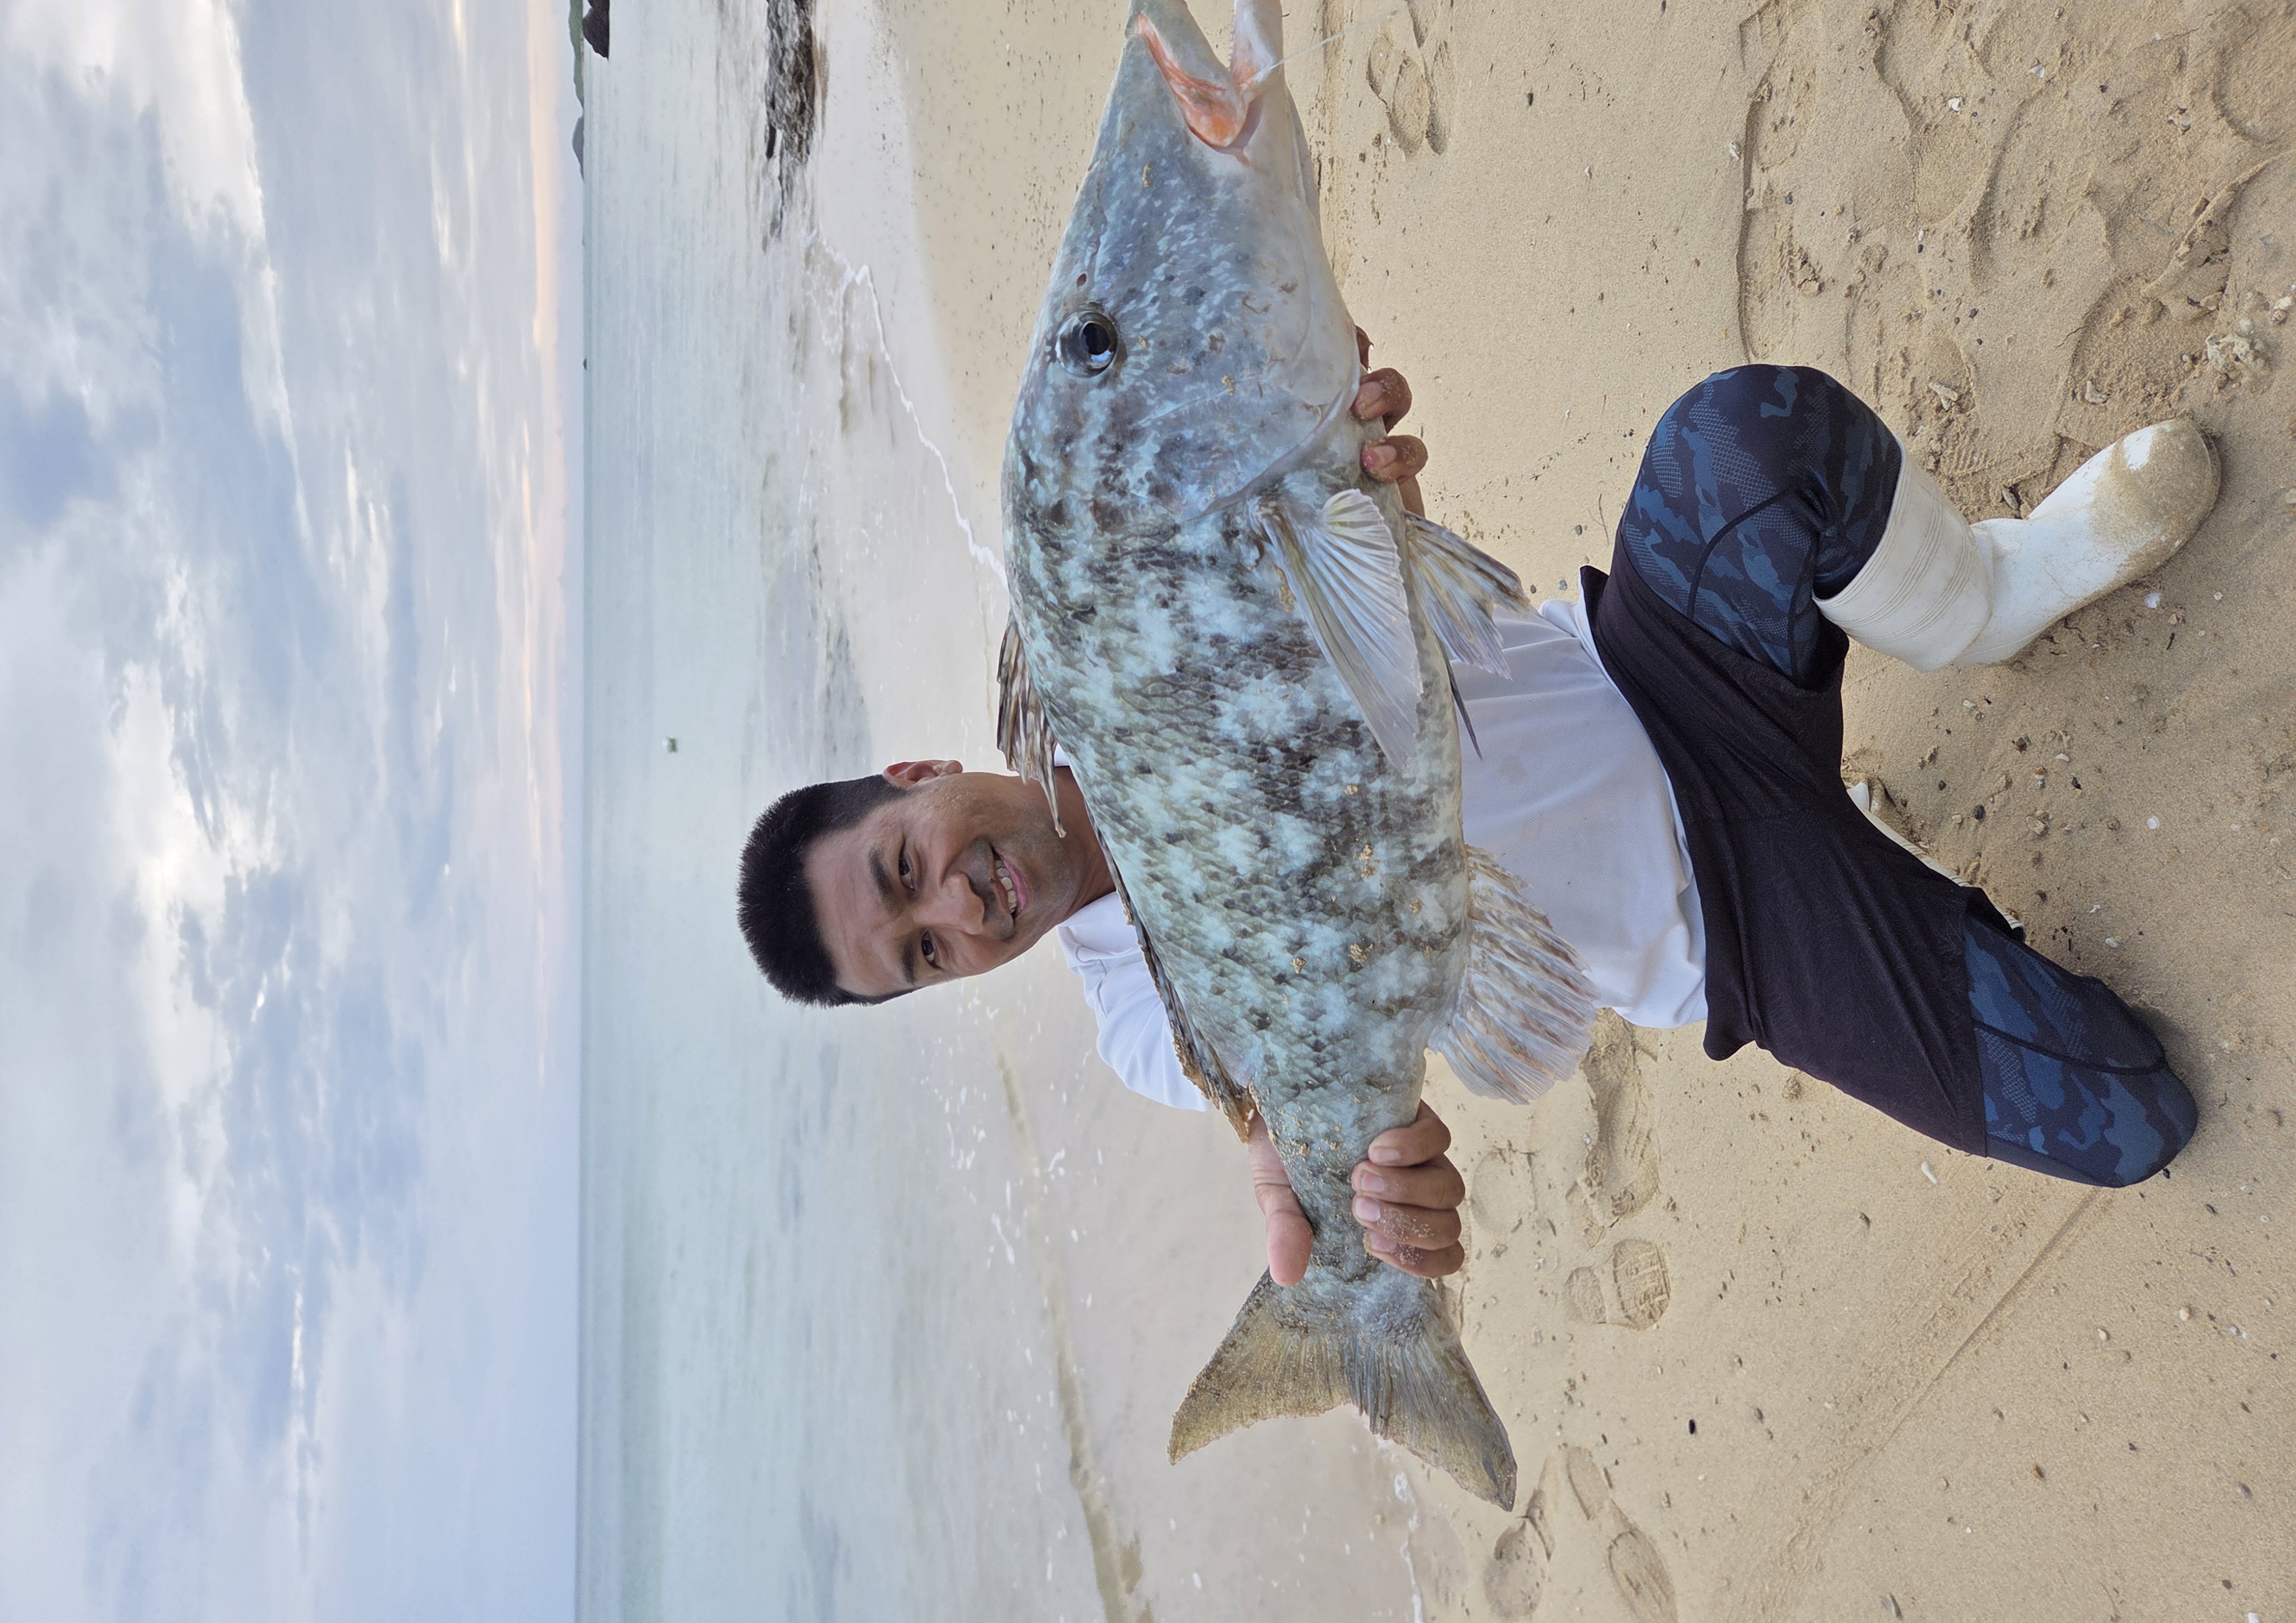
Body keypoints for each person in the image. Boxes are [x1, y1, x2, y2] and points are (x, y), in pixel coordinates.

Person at [737, 351, 2214, 1288]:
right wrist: (1332, 1185)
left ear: (919, 777)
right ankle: (1871, 874)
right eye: (922, 953)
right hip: (1730, 933)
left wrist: (1350, 458)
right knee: (2124, 1111)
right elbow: (1289, 1091)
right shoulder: (1143, 1017)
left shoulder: (1110, 622)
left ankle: (1987, 601)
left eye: (904, 871)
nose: (958, 907)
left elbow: (1295, 457)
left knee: (1745, 437)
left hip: (1660, 667)